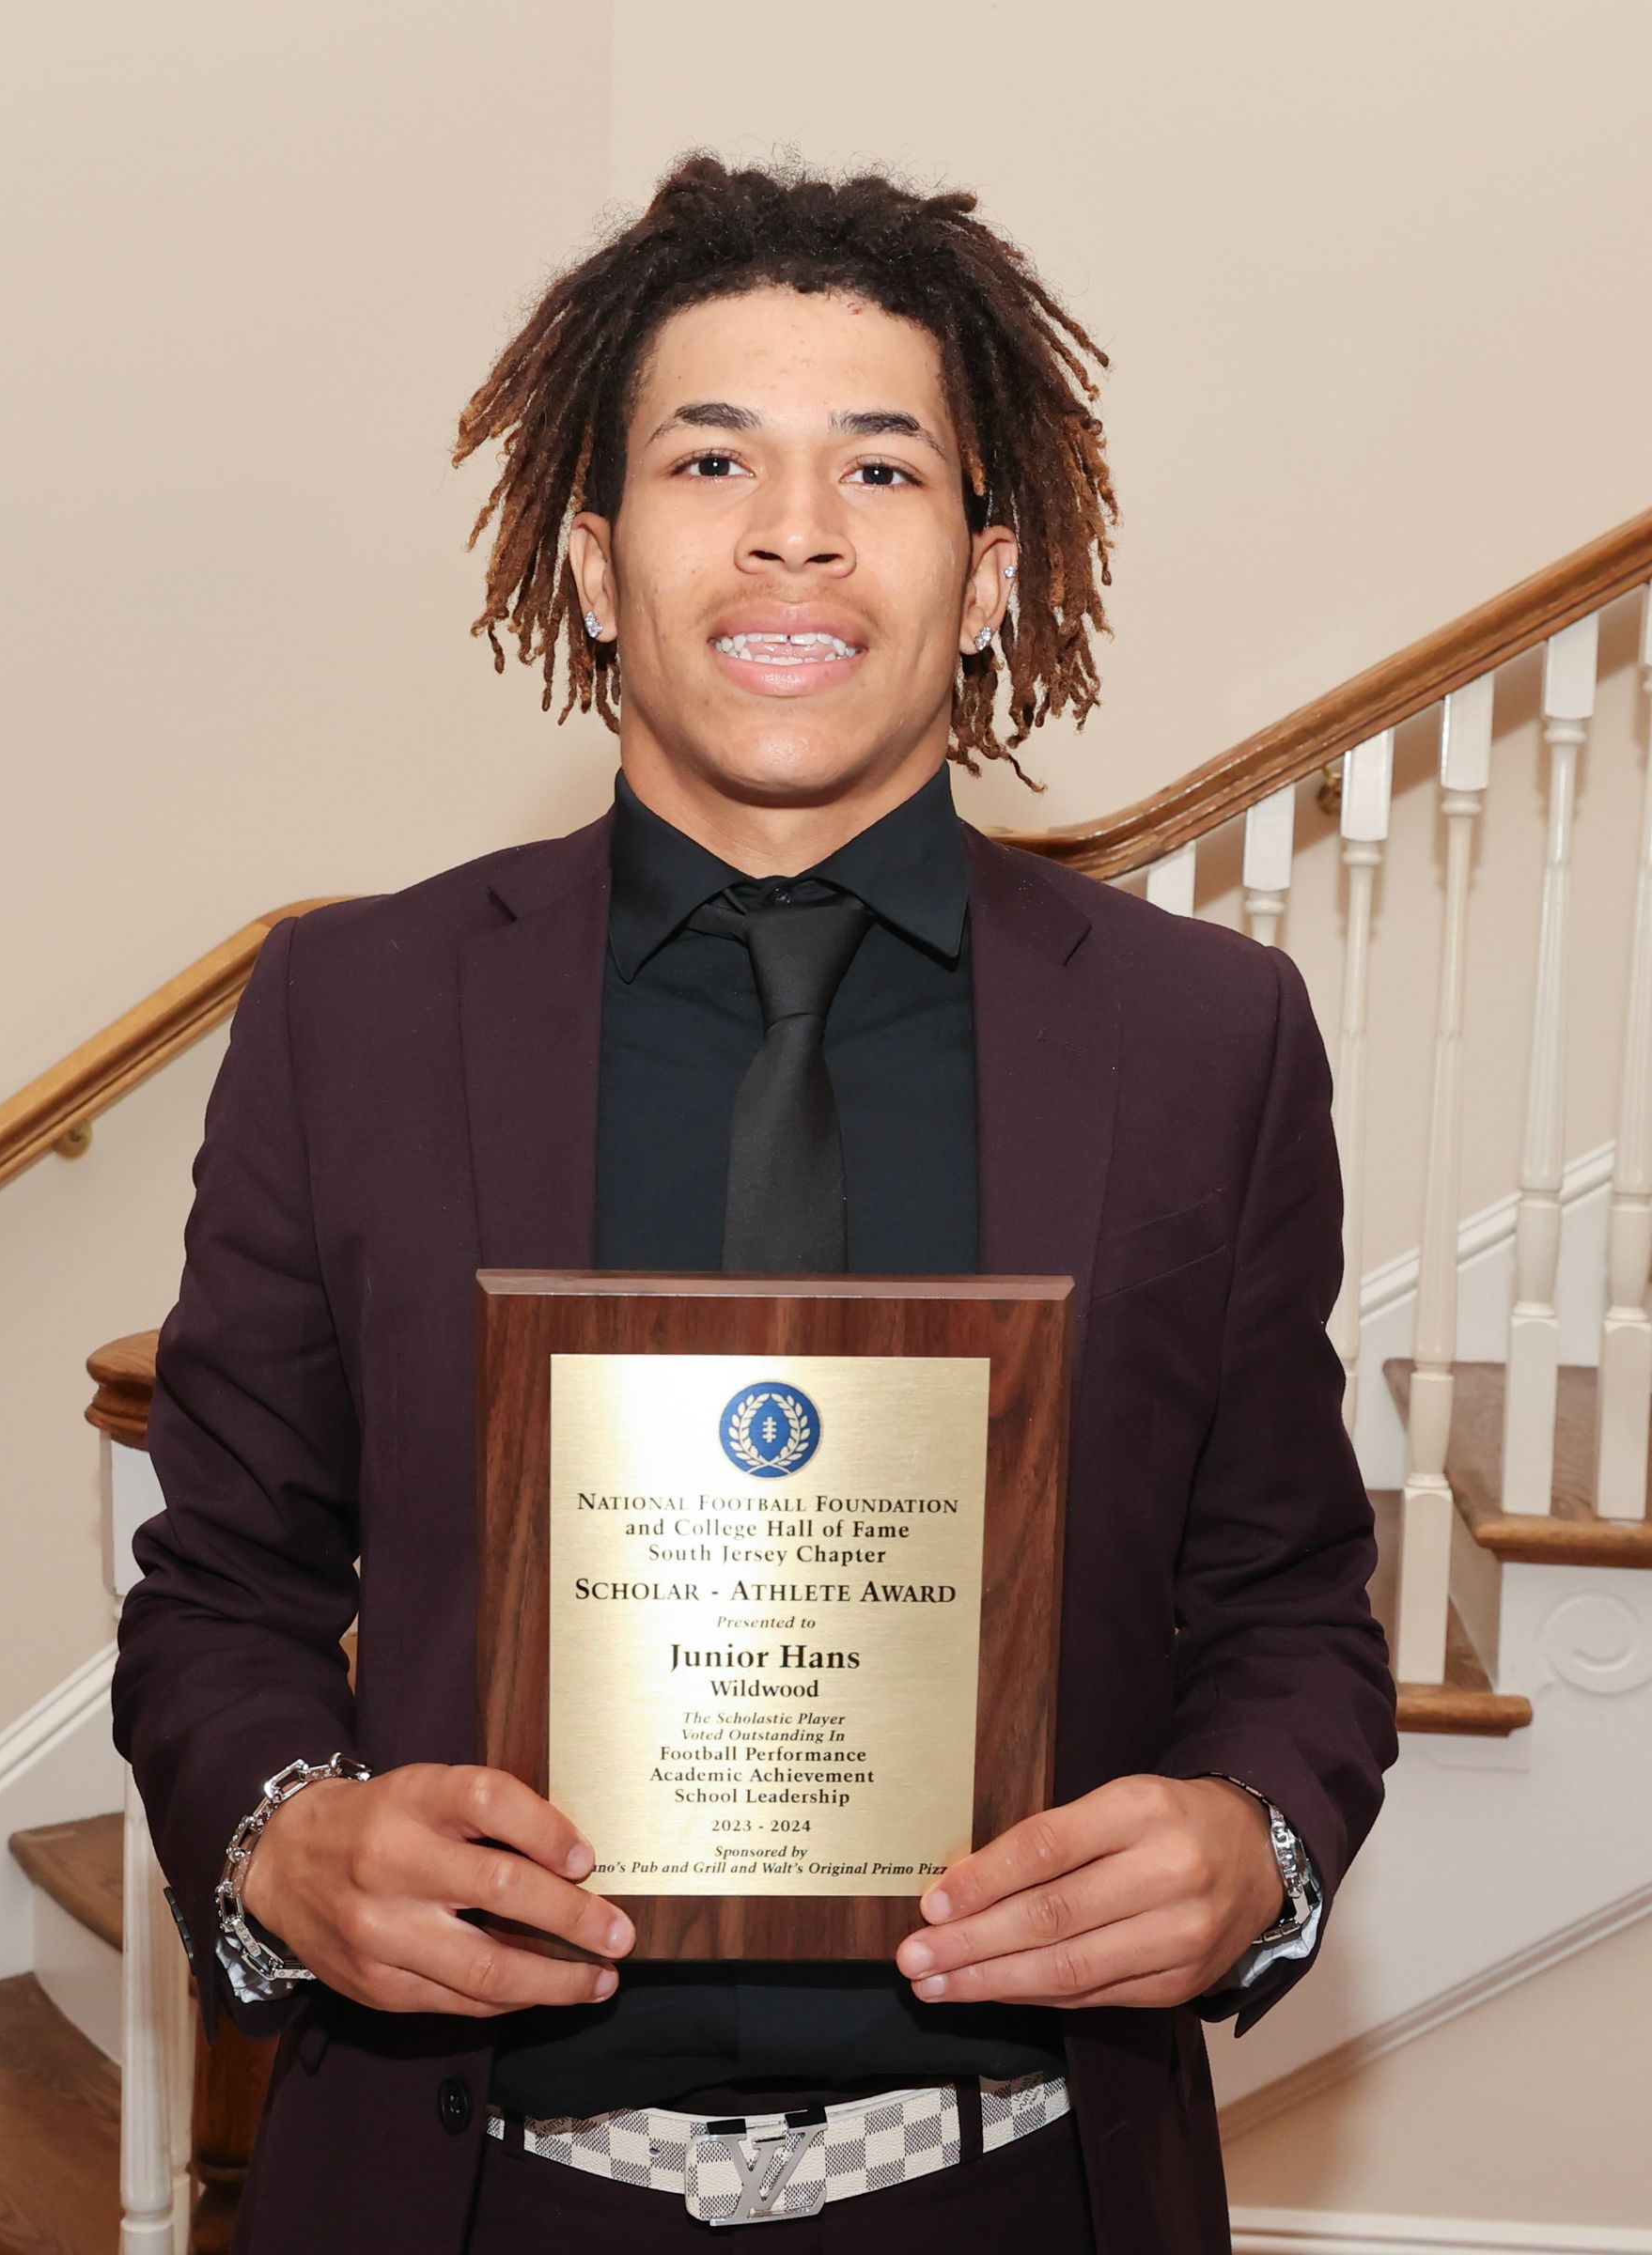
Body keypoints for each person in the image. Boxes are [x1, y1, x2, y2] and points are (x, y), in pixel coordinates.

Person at [112, 152, 1398, 2254]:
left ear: (985, 577)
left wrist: (1259, 1838)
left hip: (1022, 2192)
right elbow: (221, 1589)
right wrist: (278, 1838)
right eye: (713, 460)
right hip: (471, 2198)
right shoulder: (351, 1010)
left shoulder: (1205, 1037)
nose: (797, 527)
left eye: (881, 468)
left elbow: (1287, 1604)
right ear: (595, 564)